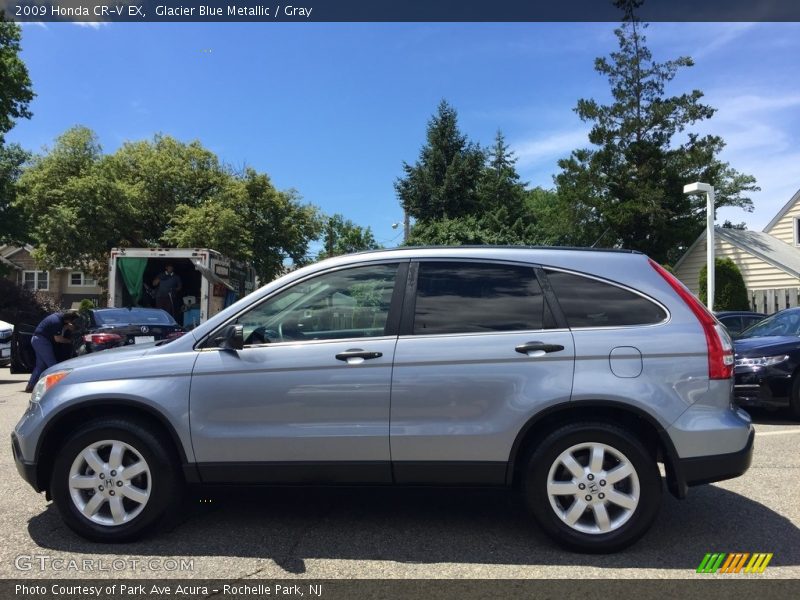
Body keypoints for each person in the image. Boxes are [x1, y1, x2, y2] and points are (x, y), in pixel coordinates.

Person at [25, 310, 81, 393]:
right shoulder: (57, 322)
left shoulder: (59, 317)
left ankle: (31, 386)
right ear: (69, 320)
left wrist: (67, 327)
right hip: (42, 341)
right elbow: (58, 339)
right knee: (53, 365)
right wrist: (70, 341)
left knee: (40, 366)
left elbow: (63, 327)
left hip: (37, 339)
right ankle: (57, 387)